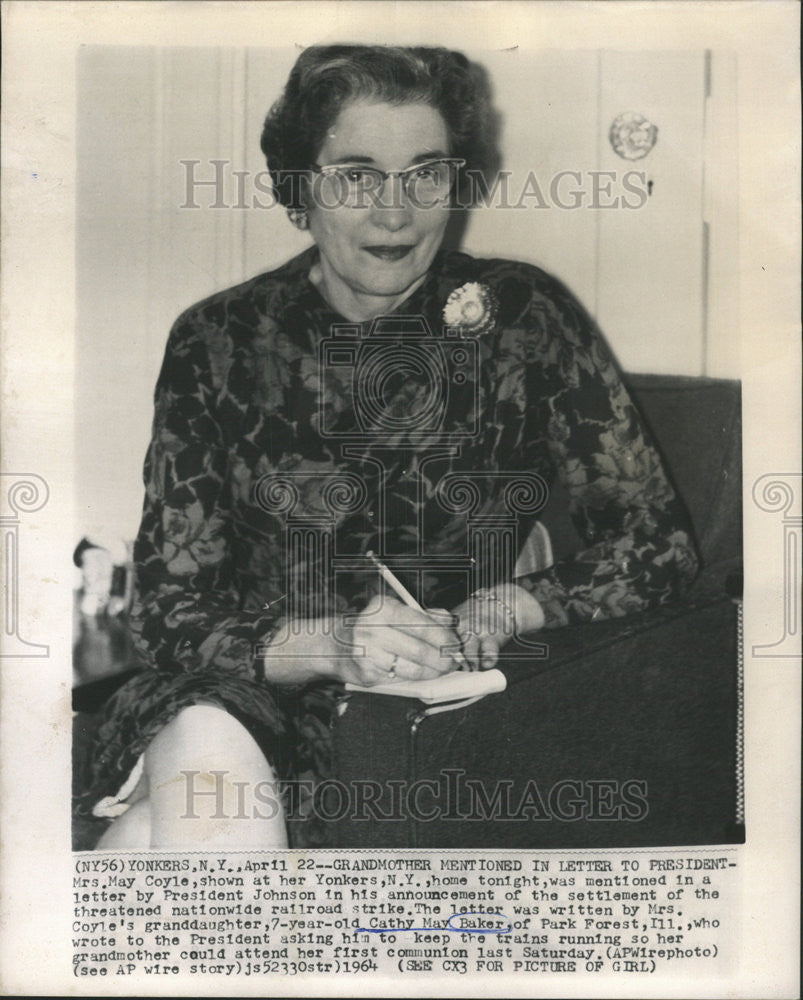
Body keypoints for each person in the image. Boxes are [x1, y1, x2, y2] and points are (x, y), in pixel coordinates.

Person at [83, 44, 698, 849]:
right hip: (241, 685)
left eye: (425, 173)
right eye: (357, 174)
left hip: (421, 706)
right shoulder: (218, 339)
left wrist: (504, 605)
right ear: (301, 190)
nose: (396, 212)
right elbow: (165, 607)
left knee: (155, 845)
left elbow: (657, 544)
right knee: (215, 790)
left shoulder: (524, 316)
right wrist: (330, 645)